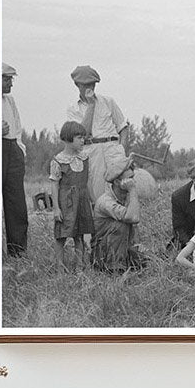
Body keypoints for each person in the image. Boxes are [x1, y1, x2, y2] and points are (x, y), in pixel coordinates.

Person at [66, 65, 130, 203]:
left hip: (113, 149)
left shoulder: (108, 102)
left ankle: (125, 215)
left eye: (93, 84)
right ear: (77, 85)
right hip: (92, 152)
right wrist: (91, 105)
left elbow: (123, 127)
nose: (90, 88)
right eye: (86, 85)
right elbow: (82, 133)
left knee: (123, 189)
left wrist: (122, 150)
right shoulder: (73, 109)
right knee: (99, 196)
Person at [48, 120, 93, 272]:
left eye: (83, 137)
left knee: (79, 235)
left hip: (81, 201)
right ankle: (60, 269)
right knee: (61, 235)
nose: (83, 141)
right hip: (66, 202)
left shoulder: (84, 158)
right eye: (79, 138)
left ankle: (79, 268)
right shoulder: (59, 160)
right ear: (68, 138)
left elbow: (88, 182)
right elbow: (54, 184)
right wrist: (56, 208)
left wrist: (91, 201)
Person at [92, 153, 147, 273]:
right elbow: (133, 218)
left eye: (133, 177)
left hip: (122, 247)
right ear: (117, 182)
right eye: (129, 179)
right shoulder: (105, 201)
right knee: (121, 224)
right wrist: (132, 190)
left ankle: (128, 261)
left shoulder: (126, 196)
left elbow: (135, 224)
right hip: (103, 253)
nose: (133, 182)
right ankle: (114, 267)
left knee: (145, 260)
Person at [1, 62, 28, 257]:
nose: (10, 83)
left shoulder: (10, 101)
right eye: (6, 79)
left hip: (13, 150)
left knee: (16, 203)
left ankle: (17, 252)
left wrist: (20, 149)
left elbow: (17, 127)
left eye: (11, 79)